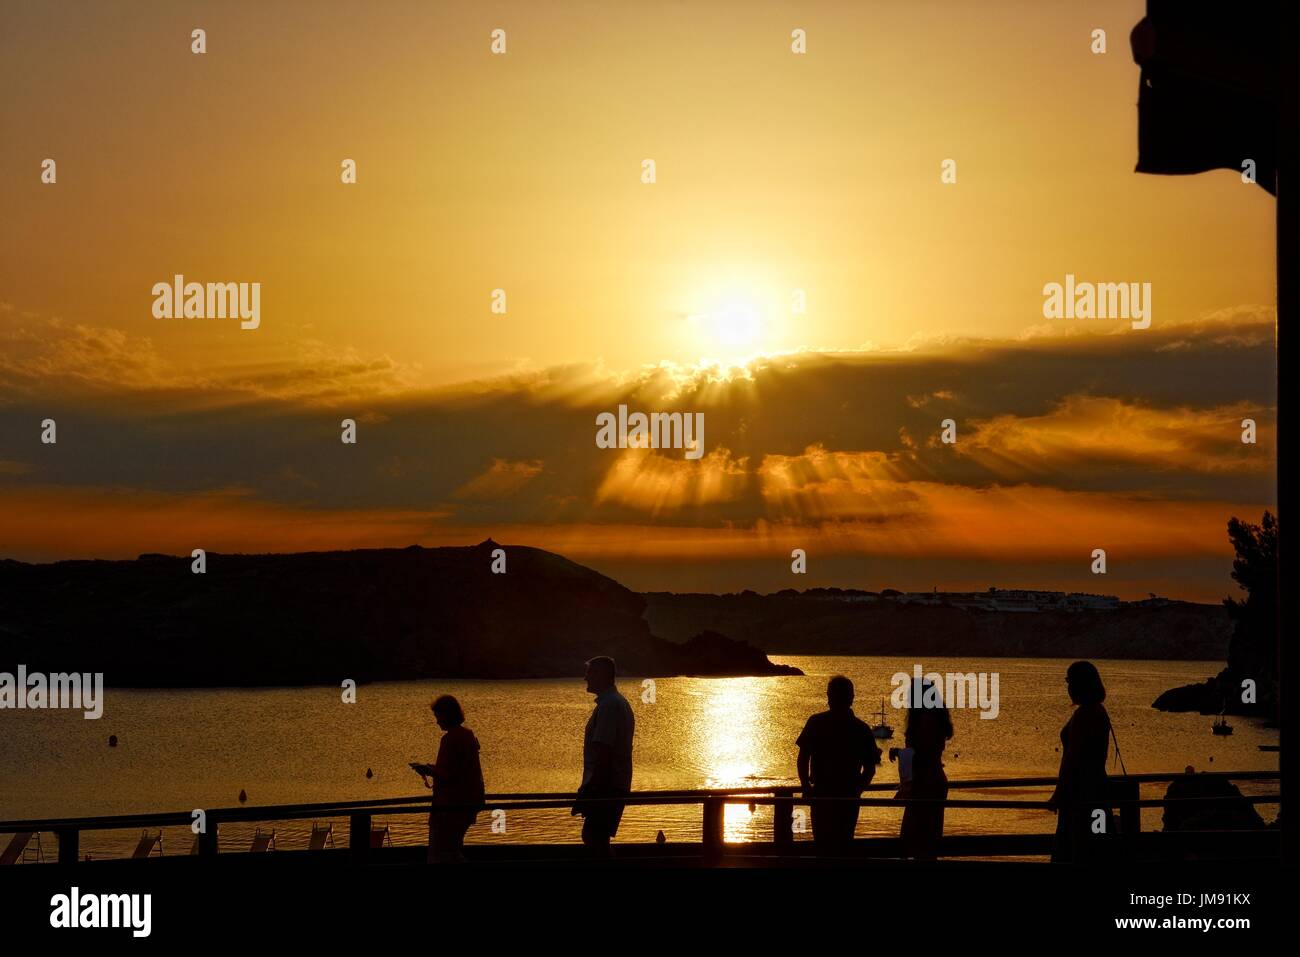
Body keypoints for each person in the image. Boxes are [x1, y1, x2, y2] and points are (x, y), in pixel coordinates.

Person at [796, 675, 881, 854]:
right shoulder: (861, 729)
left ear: (829, 697)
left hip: (821, 796)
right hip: (847, 799)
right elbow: (870, 768)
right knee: (844, 846)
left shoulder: (816, 722)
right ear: (852, 698)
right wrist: (857, 790)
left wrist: (806, 786)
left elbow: (803, 758)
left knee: (822, 847)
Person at [1048, 661, 1114, 863]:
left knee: (1075, 847)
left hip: (1079, 796)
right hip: (1098, 793)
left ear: (1079, 684)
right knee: (1098, 840)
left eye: (1069, 681)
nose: (1068, 687)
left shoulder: (1085, 715)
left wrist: (1059, 793)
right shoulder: (1098, 711)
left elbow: (1072, 758)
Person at [573, 656, 635, 859]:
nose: (585, 678)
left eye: (589, 672)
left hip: (606, 786)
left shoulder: (609, 706)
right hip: (611, 784)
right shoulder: (615, 703)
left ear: (602, 675)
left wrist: (593, 790)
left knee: (593, 837)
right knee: (596, 837)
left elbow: (604, 750)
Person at [413, 694, 485, 863]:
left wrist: (427, 770)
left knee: (440, 852)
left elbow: (449, 775)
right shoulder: (468, 735)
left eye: (438, 716)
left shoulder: (450, 739)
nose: (437, 721)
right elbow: (459, 770)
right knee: (452, 849)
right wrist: (433, 769)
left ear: (446, 715)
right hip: (469, 803)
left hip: (450, 806)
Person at [897, 678, 953, 860]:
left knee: (913, 837)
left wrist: (902, 753)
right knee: (928, 837)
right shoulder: (935, 717)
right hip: (933, 779)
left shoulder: (927, 718)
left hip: (925, 783)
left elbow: (923, 754)